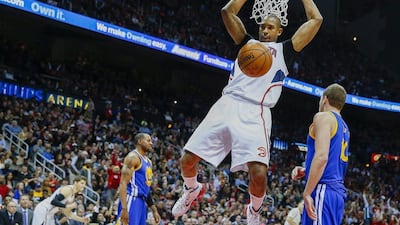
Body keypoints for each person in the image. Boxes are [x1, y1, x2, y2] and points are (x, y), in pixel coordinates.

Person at [171, 0, 323, 224]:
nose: (265, 30)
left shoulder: (285, 50)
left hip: (257, 112)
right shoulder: (246, 42)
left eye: (270, 27)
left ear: (280, 31)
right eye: (262, 26)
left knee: (259, 173)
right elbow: (227, 11)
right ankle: (192, 189)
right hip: (228, 103)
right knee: (187, 159)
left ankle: (254, 210)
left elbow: (316, 20)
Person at [291, 83, 350, 225]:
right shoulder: (344, 127)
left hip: (323, 189)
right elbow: (333, 163)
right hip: (336, 192)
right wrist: (307, 171)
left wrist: (306, 192)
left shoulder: (323, 117)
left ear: (325, 99)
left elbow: (322, 157)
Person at [116, 133, 160, 225]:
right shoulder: (133, 158)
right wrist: (124, 208)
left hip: (142, 202)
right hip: (131, 199)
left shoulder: (149, 162)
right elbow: (123, 184)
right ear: (140, 141)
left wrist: (154, 209)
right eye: (148, 140)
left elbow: (145, 189)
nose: (151, 143)